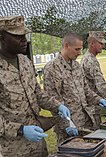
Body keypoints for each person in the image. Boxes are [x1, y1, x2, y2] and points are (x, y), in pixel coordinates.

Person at [0, 15, 70, 157]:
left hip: (38, 143)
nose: (24, 40)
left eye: (24, 35)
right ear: (2, 37)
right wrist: (21, 130)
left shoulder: (25, 61)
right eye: (18, 37)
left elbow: (37, 93)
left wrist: (57, 106)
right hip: (13, 148)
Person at [43, 32, 106, 143]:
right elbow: (53, 102)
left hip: (85, 121)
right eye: (77, 49)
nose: (79, 53)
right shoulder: (52, 69)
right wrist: (66, 124)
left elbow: (86, 90)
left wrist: (99, 99)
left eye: (80, 49)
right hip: (69, 127)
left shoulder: (76, 66)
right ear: (66, 46)